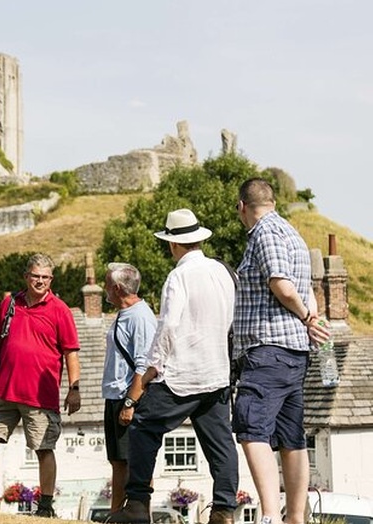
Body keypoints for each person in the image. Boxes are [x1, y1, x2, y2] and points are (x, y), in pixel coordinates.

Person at [109, 208, 238, 524]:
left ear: (172, 244)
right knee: (221, 444)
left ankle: (137, 505)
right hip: (217, 372)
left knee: (142, 428)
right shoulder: (222, 271)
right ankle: (223, 510)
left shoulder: (178, 276)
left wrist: (152, 368)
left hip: (183, 374)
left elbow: (167, 326)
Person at [232, 178, 329, 524]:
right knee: (292, 436)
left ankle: (272, 515)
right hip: (293, 353)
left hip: (269, 348)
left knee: (250, 426)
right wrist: (312, 316)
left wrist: (305, 316)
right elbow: (308, 288)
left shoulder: (265, 234)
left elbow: (280, 283)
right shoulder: (294, 235)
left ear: (242, 206)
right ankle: (296, 518)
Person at [0, 253, 80, 518]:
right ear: (26, 277)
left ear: (51, 280)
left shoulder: (60, 310)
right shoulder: (9, 304)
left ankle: (46, 507)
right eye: (35, 276)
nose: (40, 281)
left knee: (43, 449)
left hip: (41, 395)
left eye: (45, 277)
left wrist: (75, 389)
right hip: (3, 389)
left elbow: (71, 352)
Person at [101, 263, 157, 513]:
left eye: (106, 284)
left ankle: (138, 512)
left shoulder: (141, 316)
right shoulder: (124, 314)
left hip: (129, 397)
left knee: (135, 461)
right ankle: (116, 514)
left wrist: (130, 403)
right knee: (117, 461)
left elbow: (144, 364)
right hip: (114, 396)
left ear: (116, 287)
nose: (104, 289)